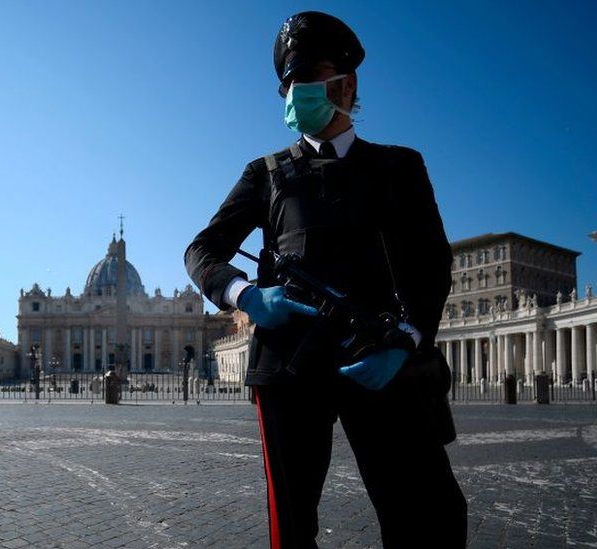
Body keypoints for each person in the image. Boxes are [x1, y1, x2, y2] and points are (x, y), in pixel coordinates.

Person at [184, 11, 466, 548]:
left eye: (308, 78)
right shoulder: (263, 174)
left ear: (345, 83)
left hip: (380, 361)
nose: (296, 93)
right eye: (288, 85)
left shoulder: (399, 167)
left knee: (427, 517)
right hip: (290, 367)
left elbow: (434, 264)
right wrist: (244, 294)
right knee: (291, 529)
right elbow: (202, 249)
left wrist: (407, 342)